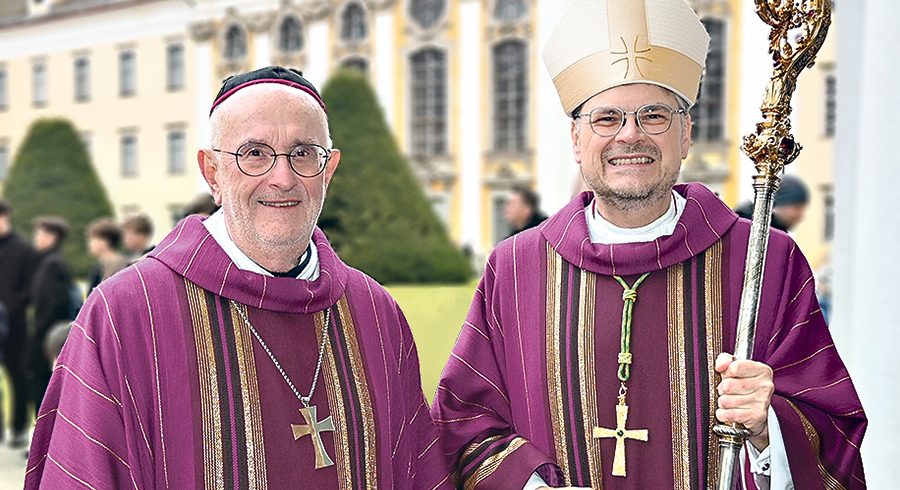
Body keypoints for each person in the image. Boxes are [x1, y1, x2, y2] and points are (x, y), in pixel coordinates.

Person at [431, 1, 866, 489]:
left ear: (686, 136)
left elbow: (833, 430)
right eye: (606, 118)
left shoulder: (764, 261)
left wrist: (770, 428)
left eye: (654, 115)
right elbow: (464, 424)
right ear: (576, 140)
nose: (630, 135)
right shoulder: (515, 268)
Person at [25, 66, 451, 489]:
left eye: (303, 153)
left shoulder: (375, 314)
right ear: (212, 172)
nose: (282, 178)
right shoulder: (126, 314)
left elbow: (420, 469)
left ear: (329, 170)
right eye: (254, 154)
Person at [25, 217, 74, 423]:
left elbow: (56, 302)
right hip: (45, 333)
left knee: (42, 385)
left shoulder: (53, 263)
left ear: (52, 237)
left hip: (48, 337)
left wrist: (42, 331)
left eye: (39, 233)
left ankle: (44, 436)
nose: (35, 238)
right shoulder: (46, 261)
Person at [0, 199, 37, 447]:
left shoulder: (24, 249)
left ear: (6, 217)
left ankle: (19, 428)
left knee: (17, 376)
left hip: (15, 325)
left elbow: (32, 287)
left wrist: (14, 303)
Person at [734, 174, 809, 233]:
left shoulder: (778, 236)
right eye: (796, 208)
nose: (800, 215)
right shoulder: (740, 229)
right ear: (774, 206)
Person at [85, 217, 131, 292]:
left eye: (93, 239)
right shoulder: (99, 266)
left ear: (104, 241)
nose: (90, 244)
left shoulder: (119, 265)